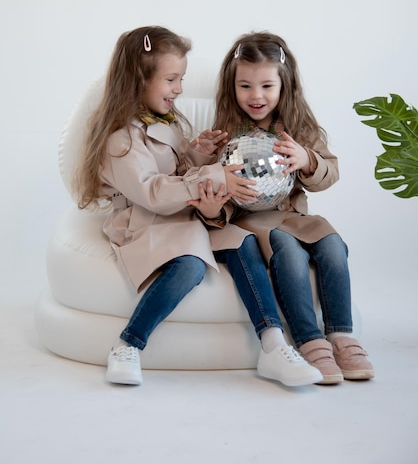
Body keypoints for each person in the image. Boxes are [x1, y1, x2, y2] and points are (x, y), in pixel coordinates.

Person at [73, 25, 322, 387]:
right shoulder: (120, 140)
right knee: (189, 265)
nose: (179, 89)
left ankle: (272, 345)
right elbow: (153, 192)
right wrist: (217, 174)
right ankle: (128, 344)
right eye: (172, 79)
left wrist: (195, 152)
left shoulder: (166, 122)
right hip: (146, 223)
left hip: (184, 216)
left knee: (242, 241)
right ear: (138, 79)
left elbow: (175, 170)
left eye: (181, 79)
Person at [212, 31, 374, 384]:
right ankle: (309, 339)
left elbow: (330, 173)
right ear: (232, 86)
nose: (256, 96)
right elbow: (212, 185)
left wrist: (307, 159)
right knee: (287, 251)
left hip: (293, 216)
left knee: (331, 243)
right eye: (245, 86)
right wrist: (219, 178)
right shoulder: (225, 133)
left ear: (284, 85)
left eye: (267, 86)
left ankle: (341, 335)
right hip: (253, 221)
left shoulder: (298, 127)